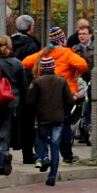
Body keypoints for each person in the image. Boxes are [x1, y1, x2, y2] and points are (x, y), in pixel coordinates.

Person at [22, 27, 87, 164]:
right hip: (64, 93)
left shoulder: (44, 53)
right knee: (64, 126)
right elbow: (82, 64)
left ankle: (41, 156)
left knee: (42, 126)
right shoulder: (68, 54)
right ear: (62, 40)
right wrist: (76, 75)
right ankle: (67, 156)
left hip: (44, 95)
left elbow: (25, 62)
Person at [26, 55, 75, 186]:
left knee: (41, 138)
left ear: (42, 68)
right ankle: (52, 175)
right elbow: (69, 100)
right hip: (59, 118)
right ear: (54, 67)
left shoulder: (37, 82)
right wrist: (64, 112)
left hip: (43, 118)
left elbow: (29, 101)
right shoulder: (62, 81)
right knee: (55, 145)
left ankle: (44, 157)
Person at [0, 35, 27, 176]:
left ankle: (2, 156)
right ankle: (3, 157)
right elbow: (24, 85)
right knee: (9, 129)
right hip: (14, 98)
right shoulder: (18, 63)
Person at [12, 15, 41, 165]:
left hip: (11, 87)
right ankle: (27, 154)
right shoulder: (32, 45)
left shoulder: (10, 43)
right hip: (27, 87)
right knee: (28, 121)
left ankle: (6, 151)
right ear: (30, 27)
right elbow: (34, 68)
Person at [71, 25, 94, 132]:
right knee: (78, 105)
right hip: (80, 80)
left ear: (90, 35)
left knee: (90, 105)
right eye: (80, 34)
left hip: (93, 80)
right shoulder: (75, 50)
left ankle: (88, 128)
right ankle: (79, 127)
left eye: (84, 34)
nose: (81, 36)